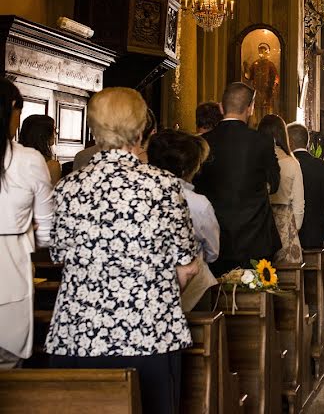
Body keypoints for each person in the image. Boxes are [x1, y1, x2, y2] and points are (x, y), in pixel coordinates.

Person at [46, 87, 198, 414]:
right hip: (149, 332)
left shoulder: (68, 187)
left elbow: (57, 254)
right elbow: (187, 263)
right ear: (141, 129)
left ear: (94, 128)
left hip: (79, 333)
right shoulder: (163, 186)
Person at [193, 82, 281, 276]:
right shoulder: (262, 141)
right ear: (250, 109)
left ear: (221, 107)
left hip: (216, 240)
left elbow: (195, 186)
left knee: (216, 301)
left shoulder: (202, 143)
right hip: (255, 240)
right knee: (258, 299)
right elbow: (274, 183)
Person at [0, 80, 54, 368]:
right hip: (9, 284)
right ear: (11, 111)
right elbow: (47, 234)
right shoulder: (29, 160)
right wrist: (26, 232)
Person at [147, 130, 220, 312]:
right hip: (192, 290)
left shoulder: (140, 196)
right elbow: (213, 252)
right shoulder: (198, 204)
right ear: (189, 168)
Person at [257, 115, 304, 264]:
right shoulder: (292, 163)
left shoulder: (254, 159)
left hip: (259, 226)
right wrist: (292, 231)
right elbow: (298, 206)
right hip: (285, 228)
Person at [289, 123, 324, 249]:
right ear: (307, 142)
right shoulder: (323, 167)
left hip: (289, 236)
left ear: (290, 141)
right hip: (315, 237)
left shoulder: (284, 166)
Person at [18, 114, 61, 184]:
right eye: (54, 129)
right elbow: (52, 194)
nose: (56, 133)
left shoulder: (12, 159)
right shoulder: (52, 166)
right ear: (44, 134)